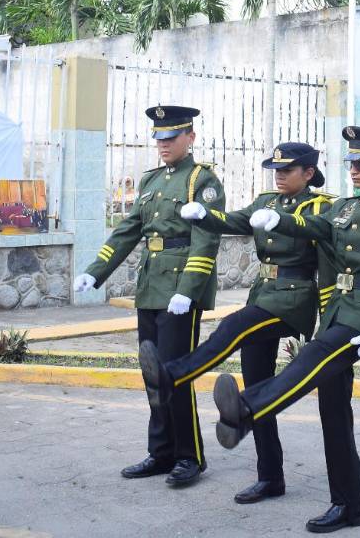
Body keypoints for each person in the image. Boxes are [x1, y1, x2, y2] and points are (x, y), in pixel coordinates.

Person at [205, 126, 360, 534]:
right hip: (337, 310)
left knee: (311, 358)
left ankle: (249, 408)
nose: (354, 168)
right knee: (333, 414)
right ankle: (351, 506)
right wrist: (281, 220)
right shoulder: (342, 207)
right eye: (350, 162)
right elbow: (316, 230)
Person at [140, 142, 333, 505]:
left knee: (232, 326)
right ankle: (270, 477)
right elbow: (233, 221)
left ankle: (173, 375)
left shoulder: (322, 206)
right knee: (258, 388)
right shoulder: (265, 201)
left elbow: (326, 249)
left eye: (287, 170)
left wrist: (324, 326)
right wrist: (203, 215)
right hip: (263, 294)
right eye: (275, 169)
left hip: (293, 299)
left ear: (308, 173)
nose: (279, 175)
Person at [71, 105, 224, 487]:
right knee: (153, 374)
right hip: (151, 287)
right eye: (158, 138)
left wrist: (188, 291)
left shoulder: (201, 182)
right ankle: (161, 453)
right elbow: (128, 231)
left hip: (178, 291)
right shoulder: (151, 181)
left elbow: (206, 240)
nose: (163, 145)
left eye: (171, 138)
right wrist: (96, 272)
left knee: (177, 374)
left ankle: (190, 457)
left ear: (190, 137)